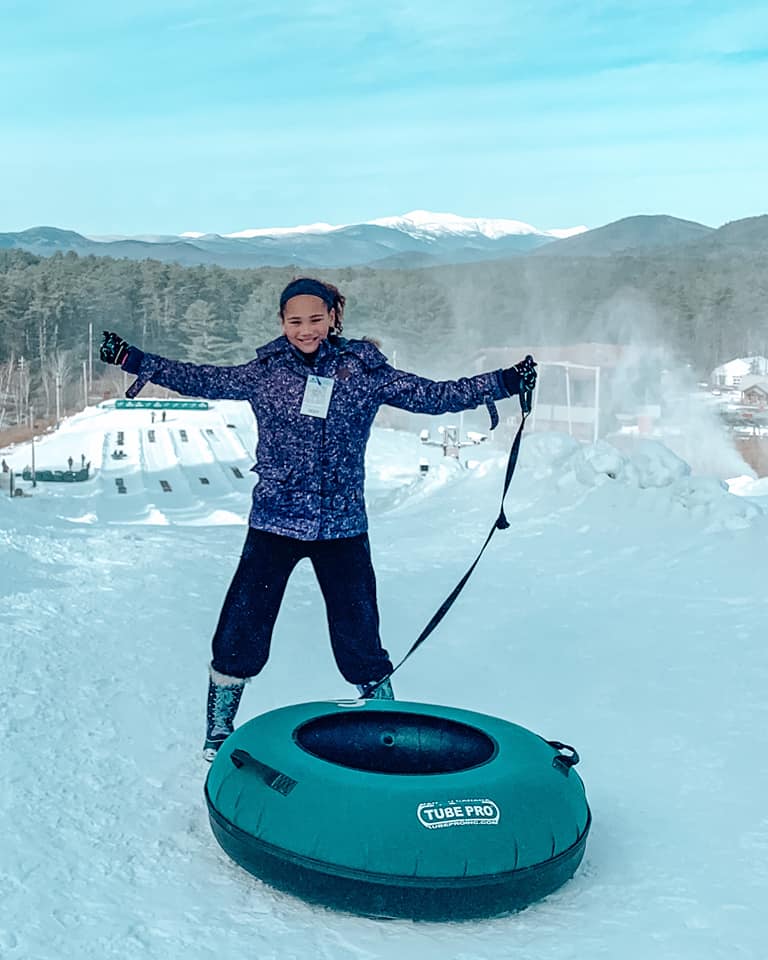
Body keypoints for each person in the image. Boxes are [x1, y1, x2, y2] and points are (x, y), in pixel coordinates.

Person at [100, 277, 536, 761]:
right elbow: (202, 377)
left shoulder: (364, 371)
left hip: (342, 526)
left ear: (333, 317)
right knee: (243, 625)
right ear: (282, 323)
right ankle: (219, 726)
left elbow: (433, 396)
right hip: (274, 523)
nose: (305, 329)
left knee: (360, 632)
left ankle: (381, 719)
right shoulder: (264, 373)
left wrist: (504, 381)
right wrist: (133, 360)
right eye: (294, 320)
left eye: (314, 318)